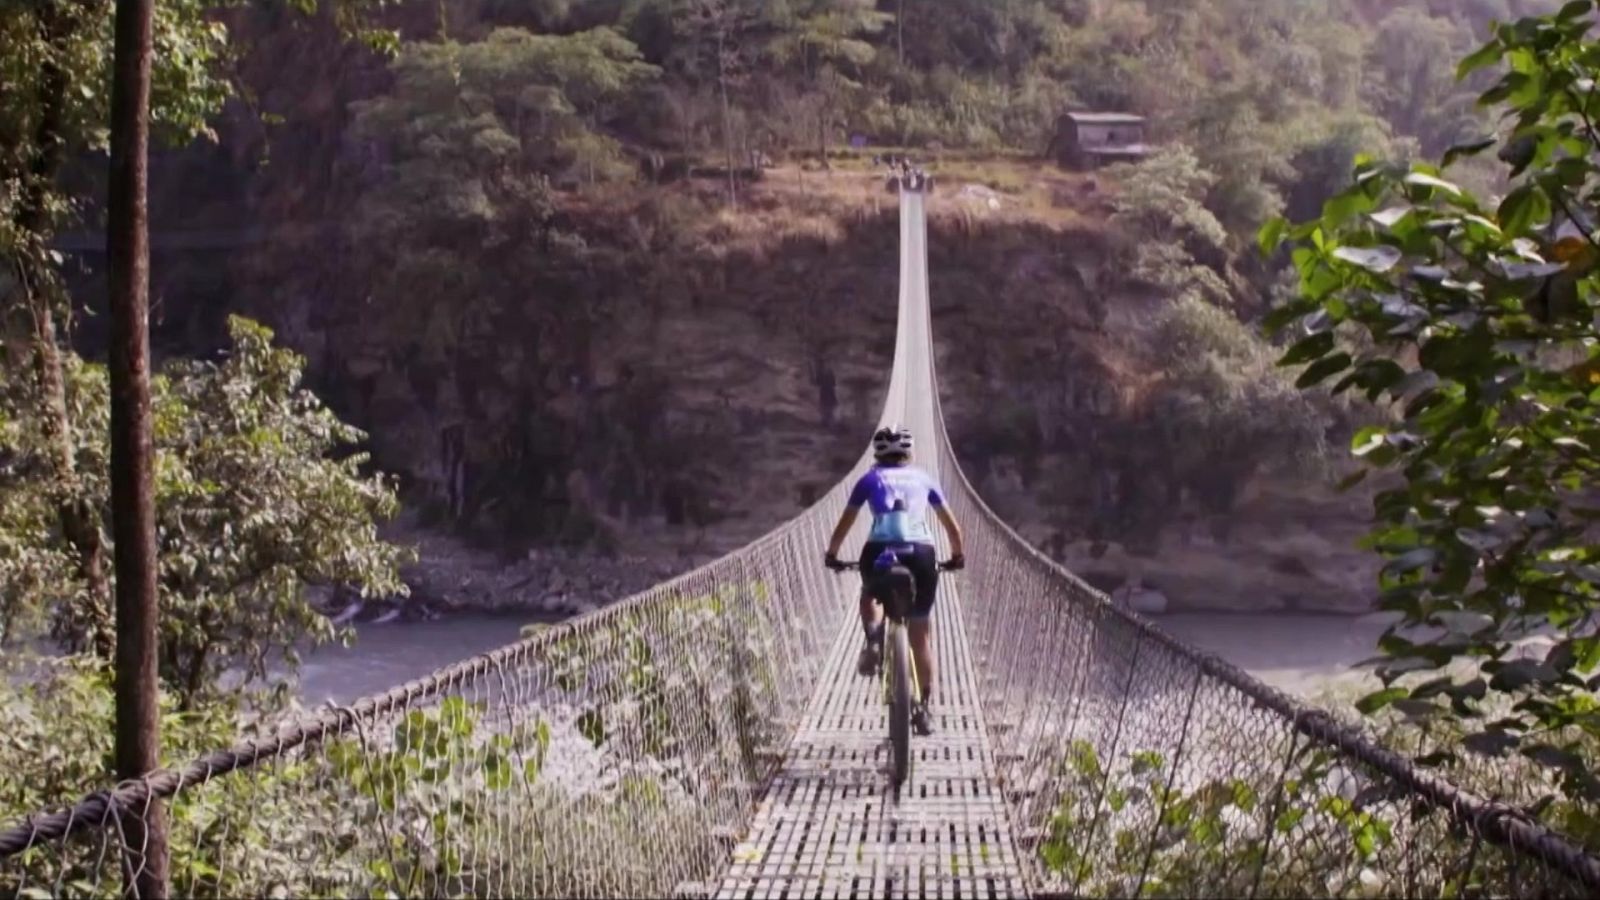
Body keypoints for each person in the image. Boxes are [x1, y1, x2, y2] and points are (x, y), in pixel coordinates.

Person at [823, 424, 965, 736]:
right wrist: (956, 557)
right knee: (921, 634)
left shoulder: (868, 479)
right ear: (909, 454)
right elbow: (953, 529)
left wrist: (832, 554)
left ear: (876, 454)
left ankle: (874, 637)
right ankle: (924, 710)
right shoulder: (924, 478)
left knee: (870, 594)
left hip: (880, 550)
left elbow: (845, 523)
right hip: (922, 555)